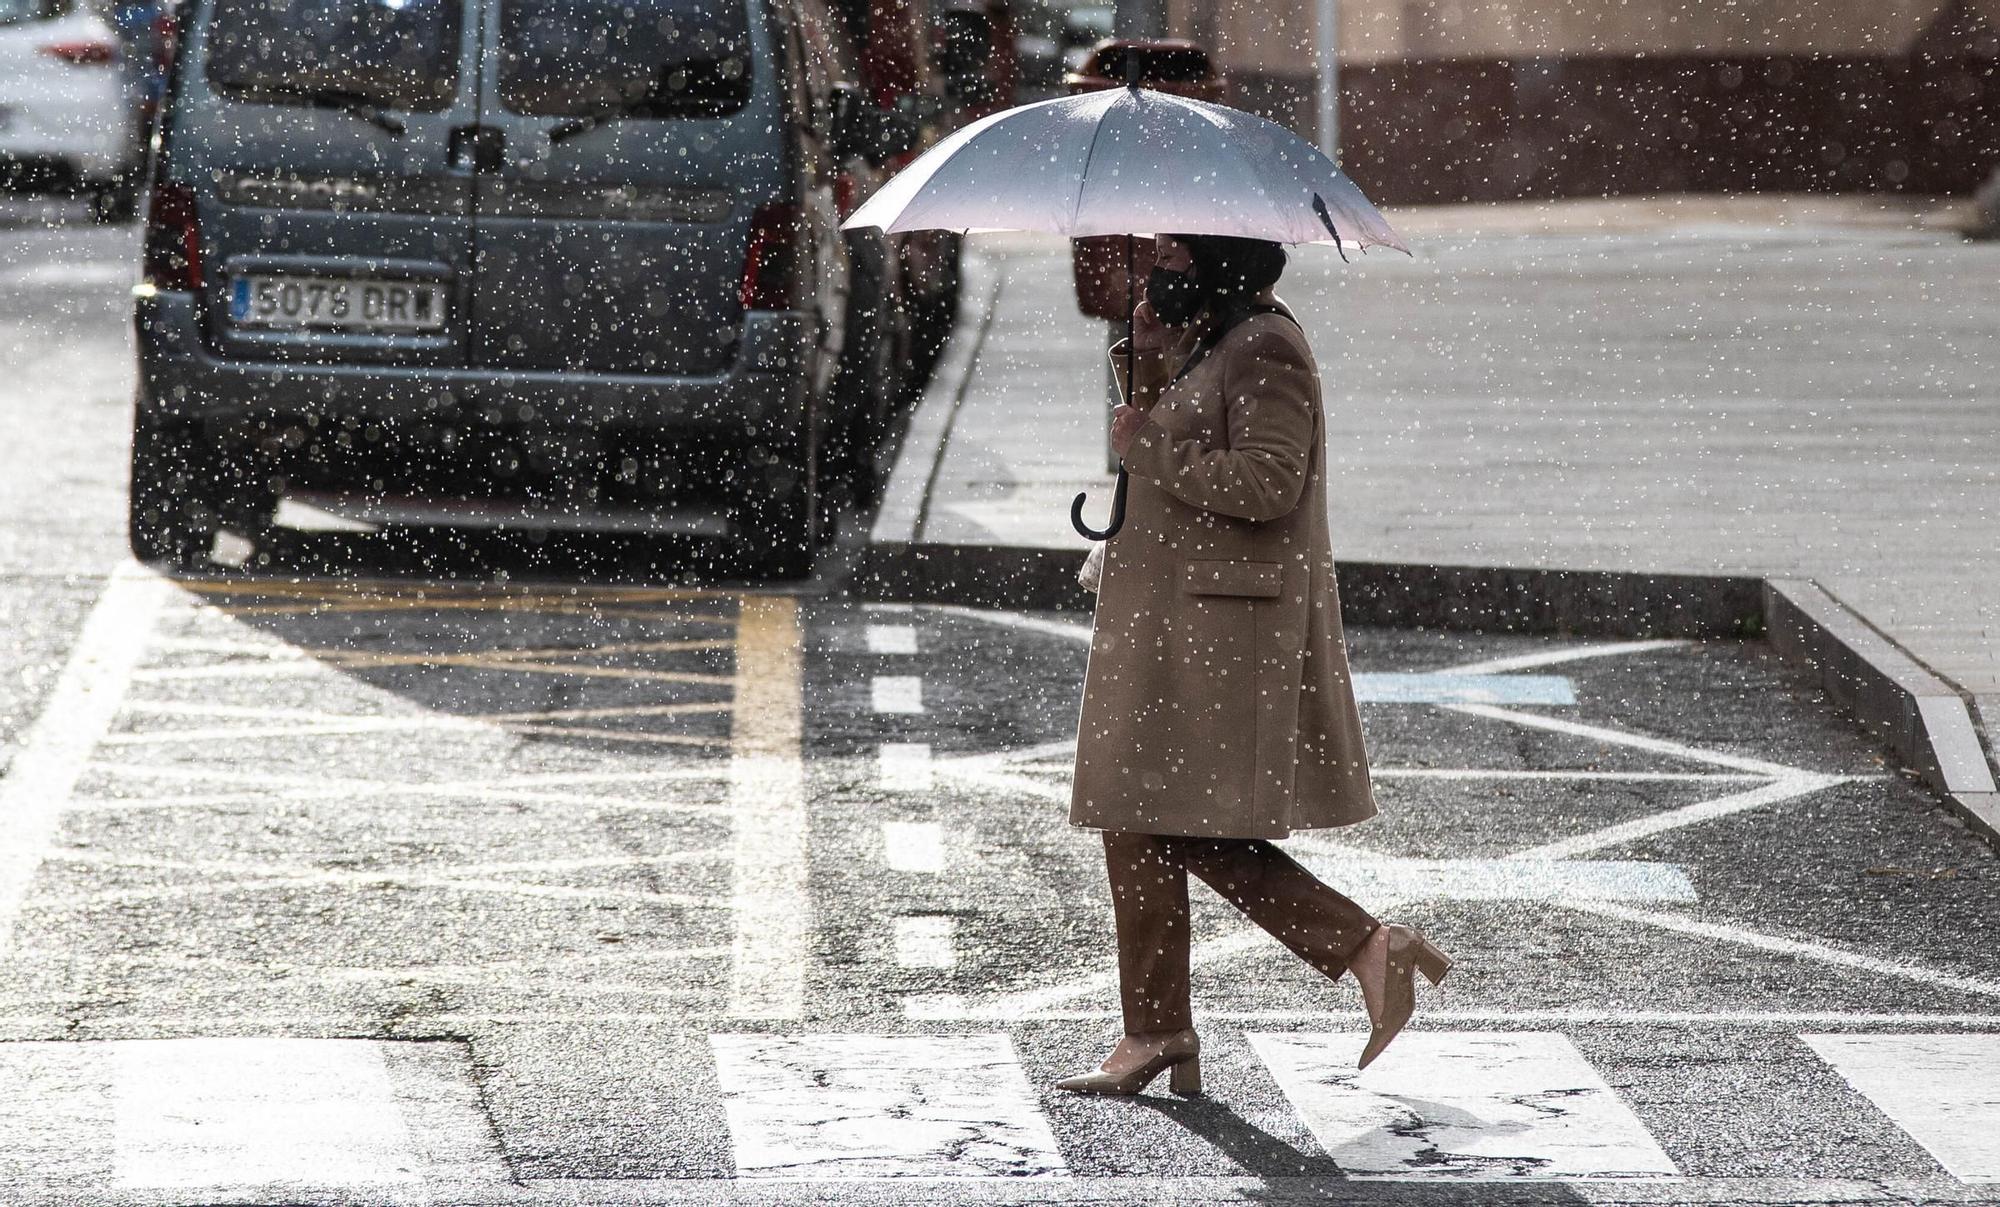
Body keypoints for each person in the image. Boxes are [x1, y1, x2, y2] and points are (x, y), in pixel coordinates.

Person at [1056, 232, 1452, 1097]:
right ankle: (1156, 1030)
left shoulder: (1268, 344)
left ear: (1213, 262)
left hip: (1222, 628)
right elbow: (1174, 436)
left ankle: (1362, 946)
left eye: (1170, 256)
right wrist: (1148, 357)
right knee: (1135, 815)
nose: (1155, 268)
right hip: (1176, 617)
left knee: (1179, 820)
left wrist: (1150, 445)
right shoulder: (1212, 336)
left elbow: (1269, 483)